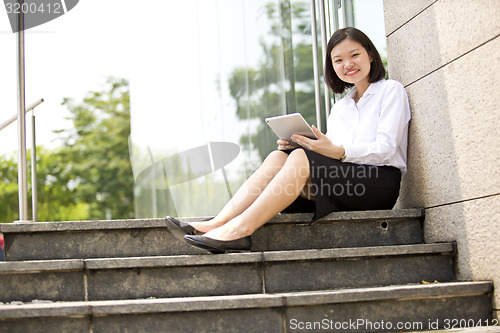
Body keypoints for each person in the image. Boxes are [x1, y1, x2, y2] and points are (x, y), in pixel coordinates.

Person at [166, 27, 411, 254]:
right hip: (345, 183)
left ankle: (240, 230)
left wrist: (336, 151)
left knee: (301, 157)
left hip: (378, 183)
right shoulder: (341, 108)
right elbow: (333, 156)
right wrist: (307, 145)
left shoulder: (391, 90)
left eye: (354, 55)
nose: (348, 64)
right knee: (279, 156)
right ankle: (218, 222)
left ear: (370, 54)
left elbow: (386, 149)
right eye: (338, 60)